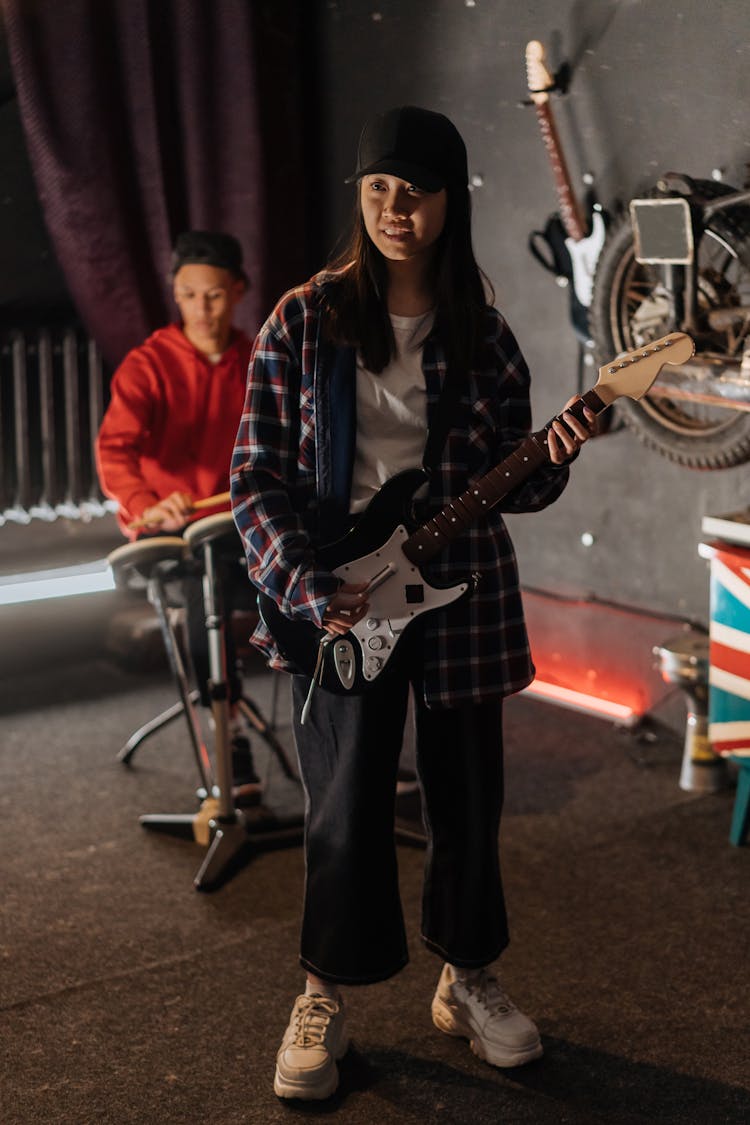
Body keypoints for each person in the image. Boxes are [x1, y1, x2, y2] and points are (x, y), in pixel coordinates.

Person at [230, 106, 596, 1100]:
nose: (400, 207)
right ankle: (321, 998)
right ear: (362, 195)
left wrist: (551, 460)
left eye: (420, 190)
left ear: (448, 204)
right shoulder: (305, 319)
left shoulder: (483, 330)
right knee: (342, 810)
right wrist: (308, 589)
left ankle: (468, 978)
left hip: (463, 594)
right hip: (340, 594)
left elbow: (507, 477)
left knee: (469, 804)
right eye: (382, 187)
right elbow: (256, 478)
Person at [96, 230, 261, 803]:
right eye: (188, 295)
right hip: (176, 535)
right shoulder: (149, 364)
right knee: (204, 601)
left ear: (238, 290)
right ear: (175, 294)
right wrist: (146, 504)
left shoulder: (255, 359)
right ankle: (227, 733)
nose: (201, 308)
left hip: (241, 522)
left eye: (213, 295)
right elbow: (114, 450)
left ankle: (343, 741)